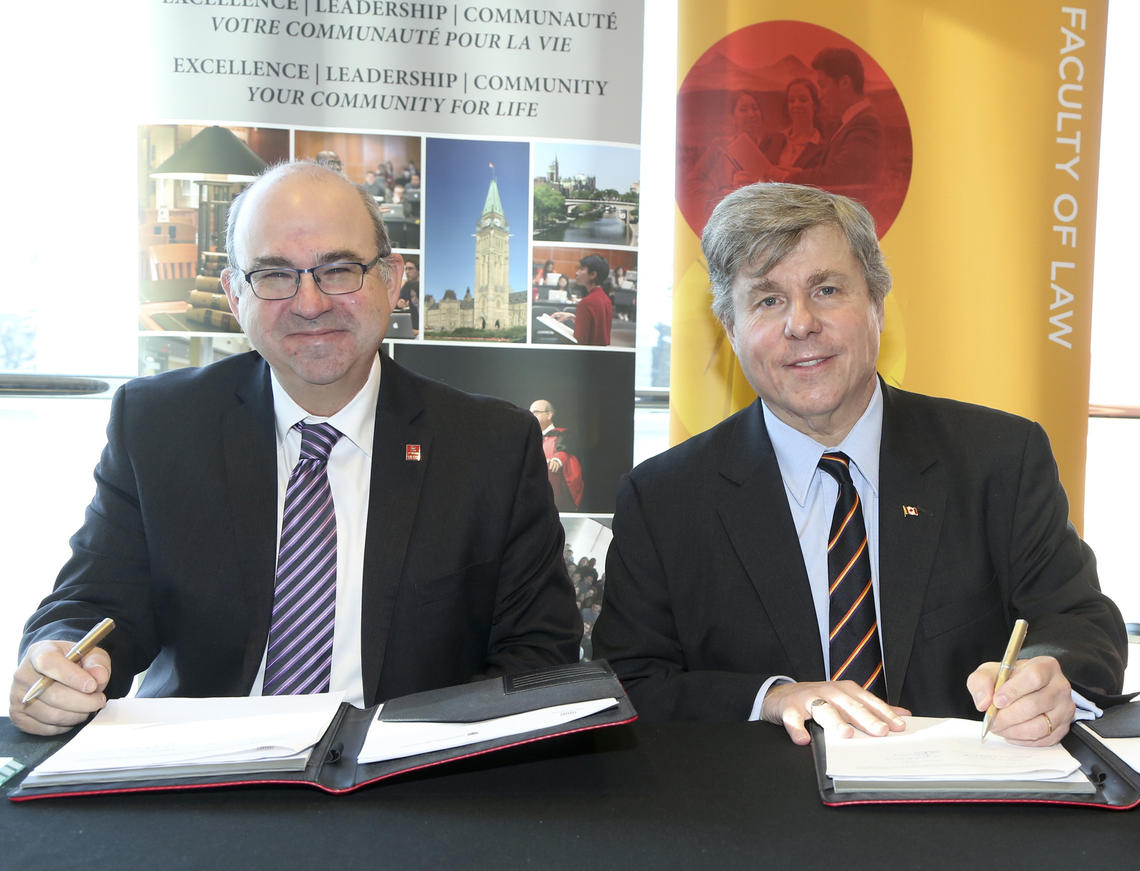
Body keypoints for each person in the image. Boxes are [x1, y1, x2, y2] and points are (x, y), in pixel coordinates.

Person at [11, 161, 581, 735]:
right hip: (203, 773)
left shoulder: (491, 446)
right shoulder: (159, 425)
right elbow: (93, 599)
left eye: (339, 270)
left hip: (410, 785)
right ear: (236, 296)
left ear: (393, 280)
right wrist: (60, 658)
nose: (309, 303)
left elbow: (537, 651)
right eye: (275, 275)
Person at [592, 182, 1128, 747]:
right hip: (757, 821)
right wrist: (770, 698)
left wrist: (1048, 678)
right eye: (768, 300)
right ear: (730, 327)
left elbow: (1081, 625)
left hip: (963, 814)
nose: (800, 324)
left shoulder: (999, 458)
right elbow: (628, 685)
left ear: (876, 301)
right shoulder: (665, 498)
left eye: (825, 289)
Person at [778, 48, 883, 192]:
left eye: (823, 86)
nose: (820, 96)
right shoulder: (850, 123)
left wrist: (789, 176)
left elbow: (841, 173)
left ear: (845, 83)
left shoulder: (866, 123)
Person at [530, 399, 584, 511]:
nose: (531, 415)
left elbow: (564, 449)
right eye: (530, 412)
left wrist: (557, 460)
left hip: (556, 489)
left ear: (549, 414)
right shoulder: (529, 437)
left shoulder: (563, 434)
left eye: (535, 412)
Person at [552, 254, 613, 346]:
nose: (577, 273)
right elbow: (597, 329)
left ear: (593, 274)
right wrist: (573, 317)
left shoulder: (586, 303)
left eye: (581, 269)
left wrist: (556, 330)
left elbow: (579, 344)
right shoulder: (606, 299)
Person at [768, 78, 825, 171]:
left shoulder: (824, 148)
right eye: (791, 100)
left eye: (803, 100)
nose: (796, 105)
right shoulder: (773, 140)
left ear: (815, 105)